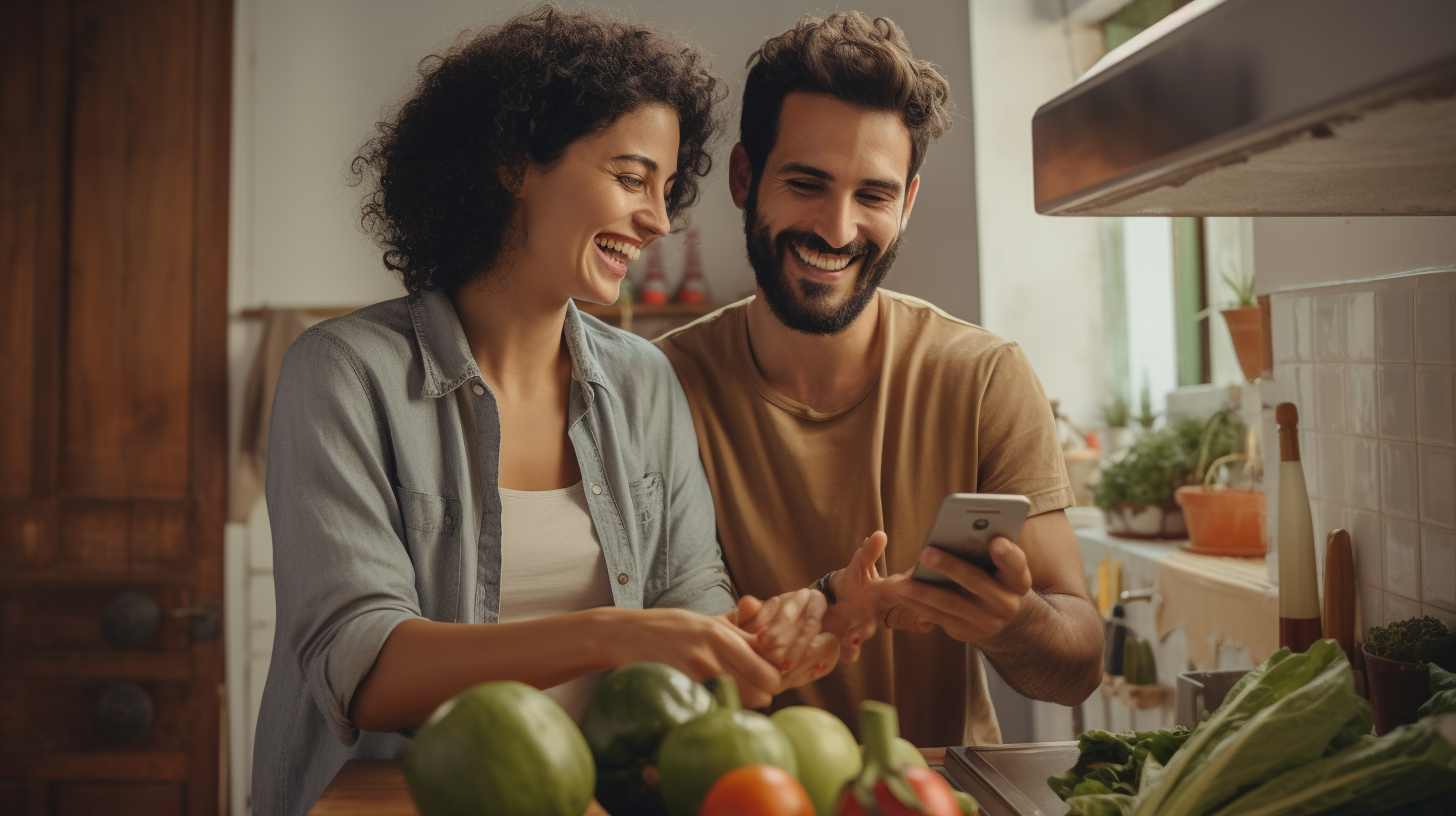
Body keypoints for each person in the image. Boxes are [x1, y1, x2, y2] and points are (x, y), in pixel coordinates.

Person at [250, 8, 835, 815]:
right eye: (631, 178)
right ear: (512, 163)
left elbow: (687, 598)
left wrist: (773, 633)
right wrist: (615, 633)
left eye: (667, 190)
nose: (659, 221)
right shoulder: (344, 373)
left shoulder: (645, 381)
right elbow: (365, 668)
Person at [655, 12, 1104, 748]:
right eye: (806, 183)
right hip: (740, 795)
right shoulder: (662, 384)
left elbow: (1076, 669)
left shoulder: (984, 377)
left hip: (938, 796)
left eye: (873, 195)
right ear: (745, 178)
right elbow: (651, 661)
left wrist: (1013, 621)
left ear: (909, 203)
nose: (837, 229)